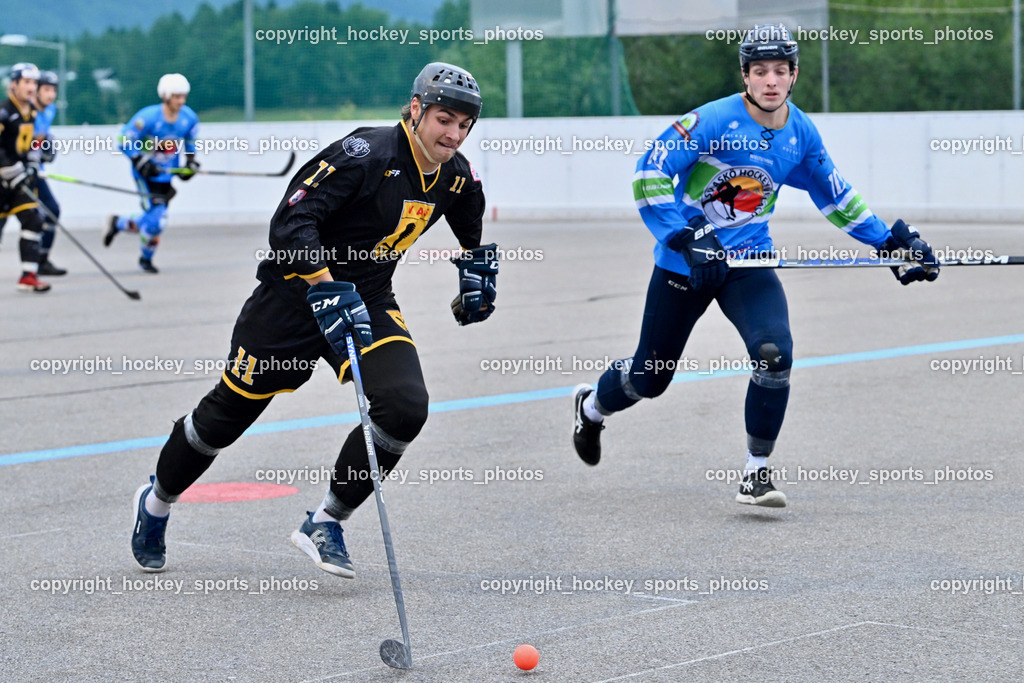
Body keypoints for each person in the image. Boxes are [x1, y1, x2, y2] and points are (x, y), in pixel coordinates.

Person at [130, 62, 496, 576]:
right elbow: (290, 221)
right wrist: (323, 283)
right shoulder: (364, 154)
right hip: (292, 299)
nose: (454, 135)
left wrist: (474, 264)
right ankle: (156, 501)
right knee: (225, 417)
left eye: (464, 125)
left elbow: (468, 208)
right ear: (416, 110)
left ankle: (326, 521)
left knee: (404, 406)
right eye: (444, 120)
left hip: (368, 299)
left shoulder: (454, 174)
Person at [571, 24, 940, 507]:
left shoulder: (800, 133)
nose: (770, 81)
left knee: (774, 353)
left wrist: (889, 243)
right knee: (649, 378)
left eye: (780, 71)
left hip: (748, 260)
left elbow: (836, 195)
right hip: (687, 264)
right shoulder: (710, 120)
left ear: (794, 75)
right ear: (744, 75)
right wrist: (686, 236)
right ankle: (591, 409)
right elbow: (649, 172)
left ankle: (756, 471)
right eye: (760, 71)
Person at [104, 73, 200, 273]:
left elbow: (190, 143)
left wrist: (190, 163)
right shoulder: (148, 117)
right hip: (145, 177)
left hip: (166, 176)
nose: (181, 101)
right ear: (165, 96)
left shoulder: (189, 118)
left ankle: (119, 223)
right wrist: (139, 160)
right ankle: (145, 259)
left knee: (153, 219)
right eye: (177, 97)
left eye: (184, 96)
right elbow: (123, 141)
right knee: (157, 220)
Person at [0, 62, 51, 292]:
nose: (31, 88)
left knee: (34, 219)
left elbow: (32, 144)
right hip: (3, 180)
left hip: (18, 180)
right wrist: (9, 169)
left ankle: (28, 276)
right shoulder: (4, 112)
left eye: (34, 83)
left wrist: (32, 162)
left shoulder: (32, 112)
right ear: (14, 85)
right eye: (26, 82)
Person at [29, 70, 67, 276]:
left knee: (52, 210)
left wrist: (47, 146)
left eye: (53, 90)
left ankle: (42, 260)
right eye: (46, 90)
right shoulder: (27, 112)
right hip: (16, 171)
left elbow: (41, 137)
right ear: (36, 90)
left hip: (36, 172)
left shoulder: (50, 110)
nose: (51, 95)